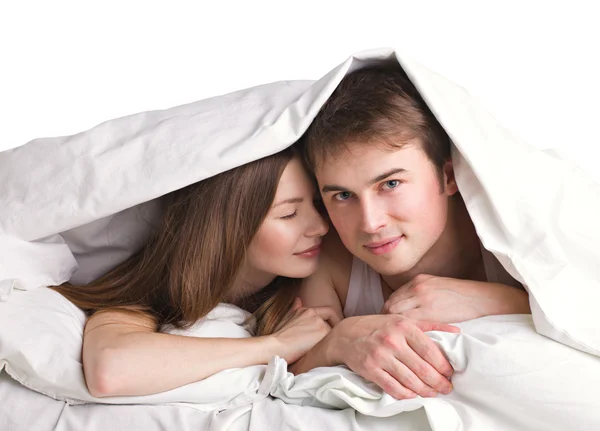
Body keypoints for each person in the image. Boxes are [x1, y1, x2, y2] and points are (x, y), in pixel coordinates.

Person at [293, 65, 531, 400]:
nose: (370, 223)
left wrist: (502, 300)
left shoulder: (510, 235)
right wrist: (341, 339)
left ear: (448, 177)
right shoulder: (331, 263)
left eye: (390, 184)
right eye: (343, 195)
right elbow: (284, 377)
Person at [52, 147, 352, 397]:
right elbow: (111, 369)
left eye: (316, 204)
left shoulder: (310, 288)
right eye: (289, 214)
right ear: (228, 227)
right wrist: (277, 346)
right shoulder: (152, 298)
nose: (321, 227)